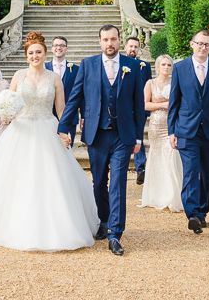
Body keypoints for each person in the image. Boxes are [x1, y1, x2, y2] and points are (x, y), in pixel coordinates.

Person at [0, 32, 99, 251]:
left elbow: (61, 110)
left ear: (45, 53)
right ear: (26, 55)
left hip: (47, 128)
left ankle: (55, 226)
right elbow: (8, 101)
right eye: (31, 53)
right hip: (20, 130)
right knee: (17, 177)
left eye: (38, 52)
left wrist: (65, 130)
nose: (34, 56)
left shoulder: (54, 78)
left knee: (51, 177)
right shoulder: (18, 76)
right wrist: (5, 114)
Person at [58, 24, 146, 256]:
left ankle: (115, 233)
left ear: (119, 40)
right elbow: (75, 97)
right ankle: (104, 219)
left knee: (118, 182)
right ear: (100, 41)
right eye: (106, 40)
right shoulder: (88, 65)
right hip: (96, 133)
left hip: (123, 135)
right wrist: (63, 126)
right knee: (98, 182)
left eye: (113, 39)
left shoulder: (132, 66)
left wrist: (138, 136)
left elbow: (138, 104)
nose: (110, 43)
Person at [168, 29, 209, 234]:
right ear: (192, 44)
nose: (203, 47)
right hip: (187, 129)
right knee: (190, 172)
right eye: (199, 43)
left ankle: (203, 211)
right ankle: (193, 214)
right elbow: (174, 101)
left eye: (207, 44)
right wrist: (171, 131)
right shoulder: (180, 68)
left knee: (208, 174)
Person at [139, 54, 182, 212]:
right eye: (163, 64)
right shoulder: (150, 83)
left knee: (171, 156)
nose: (166, 67)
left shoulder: (175, 82)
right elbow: (144, 105)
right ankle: (157, 195)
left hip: (172, 125)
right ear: (157, 67)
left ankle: (172, 196)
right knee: (157, 157)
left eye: (169, 65)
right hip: (156, 126)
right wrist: (163, 105)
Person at [123, 35, 152, 184]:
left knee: (138, 136)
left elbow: (148, 85)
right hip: (123, 108)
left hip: (139, 107)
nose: (133, 49)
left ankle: (141, 169)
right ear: (125, 47)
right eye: (131, 46)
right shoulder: (119, 63)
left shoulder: (144, 66)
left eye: (135, 47)